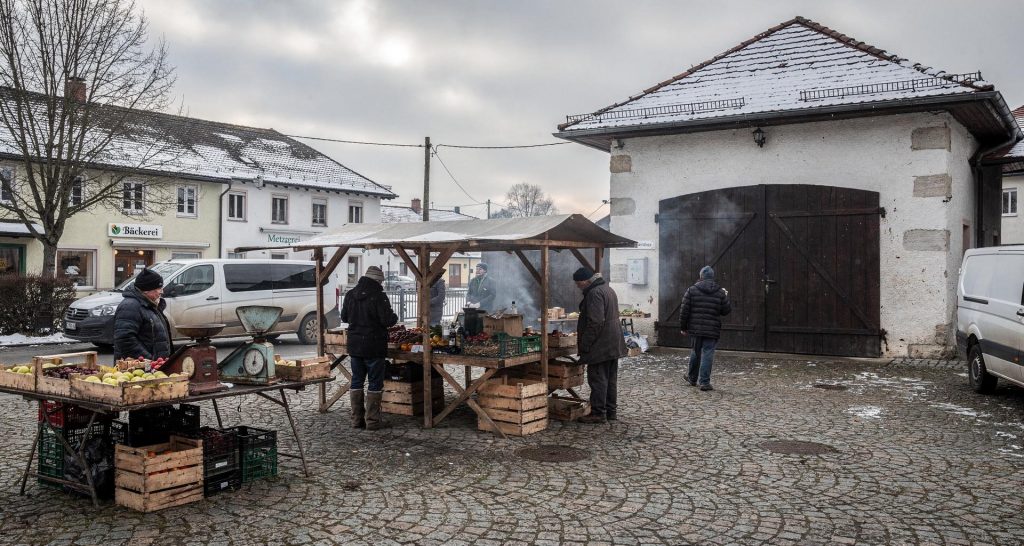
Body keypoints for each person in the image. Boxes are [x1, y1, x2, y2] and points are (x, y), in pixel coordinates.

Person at [341, 265, 399, 430]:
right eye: (381, 281)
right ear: (378, 280)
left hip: (355, 345)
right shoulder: (379, 296)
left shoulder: (351, 294)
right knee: (375, 382)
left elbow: (344, 317)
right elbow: (388, 320)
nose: (381, 284)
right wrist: (394, 316)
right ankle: (372, 421)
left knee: (357, 380)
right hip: (374, 345)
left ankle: (356, 420)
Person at [572, 266, 627, 424]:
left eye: (578, 284)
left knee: (598, 379)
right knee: (610, 378)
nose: (578, 287)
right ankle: (611, 411)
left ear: (585, 281)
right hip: (612, 342)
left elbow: (596, 322)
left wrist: (585, 344)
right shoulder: (607, 289)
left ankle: (598, 413)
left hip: (601, 344)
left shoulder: (595, 293)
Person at [679, 265, 731, 391]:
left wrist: (683, 327)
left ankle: (692, 378)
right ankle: (704, 382)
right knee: (708, 354)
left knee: (696, 352)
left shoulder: (691, 290)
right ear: (712, 277)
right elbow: (726, 311)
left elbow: (684, 310)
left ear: (701, 276)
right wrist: (725, 296)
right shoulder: (720, 292)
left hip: (696, 329)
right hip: (712, 330)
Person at [113, 267, 173, 361]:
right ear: (146, 290)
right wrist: (149, 360)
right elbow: (125, 339)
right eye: (158, 288)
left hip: (153, 367)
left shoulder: (151, 304)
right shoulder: (130, 306)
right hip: (139, 368)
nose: (162, 291)